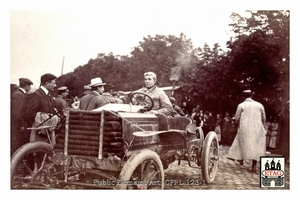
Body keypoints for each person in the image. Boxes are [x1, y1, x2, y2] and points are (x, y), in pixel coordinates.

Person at [227, 90, 267, 173]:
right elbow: (264, 117)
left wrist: (236, 123)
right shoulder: (259, 105)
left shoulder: (241, 105)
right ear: (251, 95)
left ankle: (240, 158)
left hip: (244, 127)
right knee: (256, 145)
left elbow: (237, 118)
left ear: (243, 96)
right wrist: (262, 126)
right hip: (257, 128)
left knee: (241, 142)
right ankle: (254, 165)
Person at [21, 73, 60, 143]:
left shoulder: (48, 95)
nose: (55, 85)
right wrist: (38, 125)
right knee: (39, 152)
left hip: (48, 132)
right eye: (53, 83)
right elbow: (29, 114)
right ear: (47, 83)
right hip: (38, 133)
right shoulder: (36, 95)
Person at [11, 78, 33, 155]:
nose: (30, 88)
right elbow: (17, 112)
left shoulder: (20, 94)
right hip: (18, 125)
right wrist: (21, 125)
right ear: (26, 86)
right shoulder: (19, 95)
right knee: (16, 144)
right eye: (29, 86)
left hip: (20, 124)